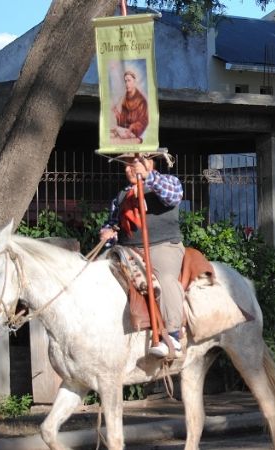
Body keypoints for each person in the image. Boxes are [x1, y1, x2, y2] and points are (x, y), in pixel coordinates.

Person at [100, 153, 185, 358]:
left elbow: (173, 196)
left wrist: (149, 176)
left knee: (166, 279)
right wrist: (107, 233)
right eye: (126, 165)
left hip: (163, 246)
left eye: (133, 163)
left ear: (149, 162)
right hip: (127, 249)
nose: (128, 168)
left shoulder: (169, 182)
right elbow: (112, 223)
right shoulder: (121, 195)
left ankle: (173, 335)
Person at [111, 70, 149, 143]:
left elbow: (144, 121)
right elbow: (123, 122)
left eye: (129, 80)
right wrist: (117, 115)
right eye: (125, 81)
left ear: (134, 81)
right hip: (126, 133)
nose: (126, 83)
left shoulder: (141, 101)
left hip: (136, 135)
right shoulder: (125, 99)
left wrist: (132, 127)